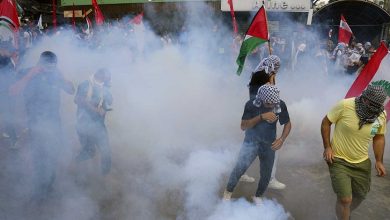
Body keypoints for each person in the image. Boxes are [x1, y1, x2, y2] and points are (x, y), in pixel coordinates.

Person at [10, 51, 75, 200]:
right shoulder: (27, 73)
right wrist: (30, 75)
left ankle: (49, 186)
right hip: (36, 123)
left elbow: (71, 91)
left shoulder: (55, 75)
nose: (50, 70)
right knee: (39, 156)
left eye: (53, 67)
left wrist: (62, 77)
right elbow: (13, 91)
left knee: (52, 153)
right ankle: (39, 190)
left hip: (54, 121)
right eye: (48, 67)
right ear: (40, 64)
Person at [321, 84, 387, 220]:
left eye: (375, 105)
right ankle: (343, 213)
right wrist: (327, 147)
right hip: (338, 159)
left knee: (360, 196)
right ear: (365, 97)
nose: (370, 106)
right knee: (346, 200)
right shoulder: (345, 105)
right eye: (369, 102)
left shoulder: (381, 115)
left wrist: (379, 161)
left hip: (362, 162)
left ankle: (342, 213)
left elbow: (379, 137)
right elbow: (326, 123)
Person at [223, 84, 291, 203]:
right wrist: (261, 117)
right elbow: (243, 126)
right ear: (261, 99)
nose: (271, 106)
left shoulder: (279, 104)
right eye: (268, 103)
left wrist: (281, 139)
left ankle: (258, 197)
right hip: (251, 142)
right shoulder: (251, 104)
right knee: (239, 168)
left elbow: (288, 123)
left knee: (266, 175)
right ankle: (228, 192)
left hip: (269, 144)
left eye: (273, 103)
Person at [241, 55, 286, 190]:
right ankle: (270, 179)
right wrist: (271, 82)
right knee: (272, 147)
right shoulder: (263, 78)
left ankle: (241, 172)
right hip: (262, 117)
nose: (277, 69)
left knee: (249, 146)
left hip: (256, 117)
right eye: (276, 67)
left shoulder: (258, 75)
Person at [75, 68, 113, 175]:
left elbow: (108, 101)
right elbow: (77, 100)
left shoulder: (104, 87)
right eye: (108, 76)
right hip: (84, 124)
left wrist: (105, 105)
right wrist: (95, 109)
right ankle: (72, 166)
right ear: (101, 75)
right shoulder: (85, 85)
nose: (110, 78)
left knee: (106, 152)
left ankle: (106, 178)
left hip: (99, 125)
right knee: (89, 152)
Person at [0, 40, 18, 146]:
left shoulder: (7, 59)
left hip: (6, 91)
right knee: (8, 113)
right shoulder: (3, 60)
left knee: (8, 113)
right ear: (2, 49)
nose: (11, 52)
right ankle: (13, 138)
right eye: (9, 50)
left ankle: (10, 134)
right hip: (4, 91)